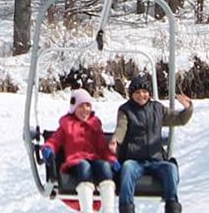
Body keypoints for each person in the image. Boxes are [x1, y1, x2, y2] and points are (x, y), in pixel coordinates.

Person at [113, 76, 192, 213]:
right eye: (137, 93)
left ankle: (172, 206)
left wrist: (188, 108)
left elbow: (179, 119)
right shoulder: (126, 110)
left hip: (156, 159)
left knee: (170, 168)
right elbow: (121, 127)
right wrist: (116, 140)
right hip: (135, 159)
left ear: (149, 93)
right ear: (131, 94)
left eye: (144, 92)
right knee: (127, 168)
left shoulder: (157, 109)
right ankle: (126, 207)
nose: (141, 96)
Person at [52, 88, 119, 213]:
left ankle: (108, 209)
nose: (85, 110)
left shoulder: (94, 125)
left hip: (94, 160)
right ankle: (87, 209)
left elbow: (103, 147)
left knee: (104, 166)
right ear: (74, 108)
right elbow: (55, 140)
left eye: (88, 106)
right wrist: (48, 148)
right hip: (75, 161)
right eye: (81, 106)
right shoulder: (67, 125)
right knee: (84, 166)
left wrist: (112, 160)